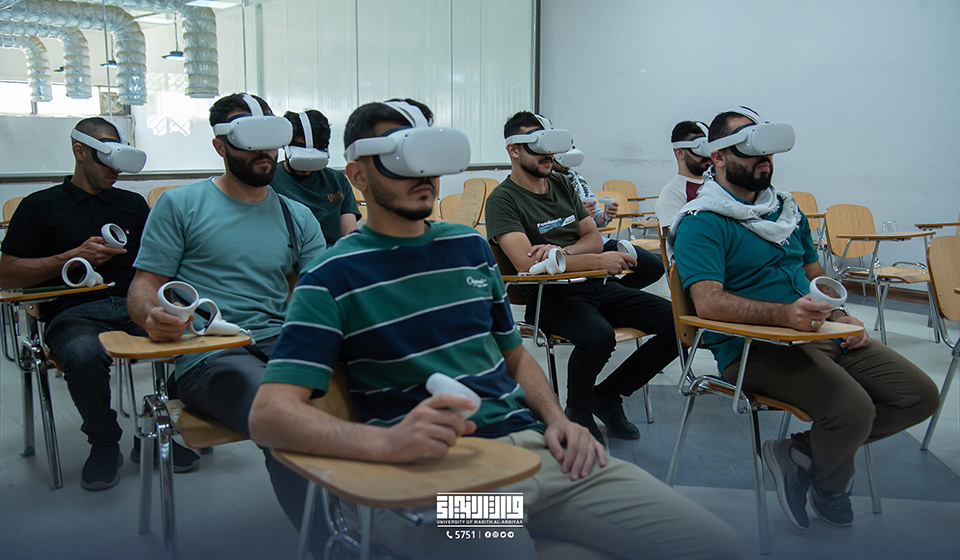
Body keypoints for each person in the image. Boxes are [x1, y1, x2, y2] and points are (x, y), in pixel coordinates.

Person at [248, 100, 741, 560]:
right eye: (399, 160)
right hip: (441, 478)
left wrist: (559, 419)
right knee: (513, 550)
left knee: (713, 545)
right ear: (357, 174)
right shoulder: (331, 277)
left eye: (428, 156)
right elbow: (269, 417)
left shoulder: (467, 248)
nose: (422, 174)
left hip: (536, 452)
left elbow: (516, 356)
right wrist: (385, 444)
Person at [671, 107, 939, 530]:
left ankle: (800, 454)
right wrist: (785, 315)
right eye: (750, 148)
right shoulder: (701, 222)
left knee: (918, 396)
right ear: (718, 157)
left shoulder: (786, 212)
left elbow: (817, 277)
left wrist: (841, 314)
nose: (765, 159)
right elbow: (707, 303)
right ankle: (830, 486)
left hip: (819, 333)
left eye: (768, 150)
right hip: (754, 349)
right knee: (853, 411)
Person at [0, 117, 199, 490]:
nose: (115, 170)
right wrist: (71, 257)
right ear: (80, 151)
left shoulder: (132, 204)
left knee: (200, 345)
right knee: (84, 354)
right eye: (106, 159)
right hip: (73, 311)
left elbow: (158, 263)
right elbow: (6, 274)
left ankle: (155, 430)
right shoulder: (39, 206)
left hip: (136, 304)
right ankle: (104, 442)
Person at [127, 92, 326, 442]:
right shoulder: (180, 205)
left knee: (368, 387)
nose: (263, 151)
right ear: (220, 146)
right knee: (280, 411)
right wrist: (151, 316)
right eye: (249, 140)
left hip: (281, 342)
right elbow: (145, 284)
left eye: (269, 139)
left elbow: (322, 293)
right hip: (210, 353)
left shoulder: (298, 216)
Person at [484, 111, 679, 445]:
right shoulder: (503, 200)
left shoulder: (561, 184)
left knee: (677, 326)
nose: (548, 155)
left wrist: (563, 254)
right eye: (537, 147)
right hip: (549, 296)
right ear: (513, 150)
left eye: (550, 146)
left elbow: (593, 237)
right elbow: (527, 264)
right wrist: (596, 260)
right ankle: (578, 408)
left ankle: (608, 394)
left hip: (594, 285)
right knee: (599, 336)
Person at [552, 150, 664, 290]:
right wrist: (579, 216)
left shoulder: (578, 179)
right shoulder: (545, 183)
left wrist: (606, 216)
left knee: (654, 267)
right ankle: (610, 292)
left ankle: (613, 293)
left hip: (598, 242)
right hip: (573, 245)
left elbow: (597, 219)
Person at [271, 109, 361, 246]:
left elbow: (349, 235)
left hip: (332, 255)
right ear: (285, 146)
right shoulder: (270, 181)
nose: (306, 167)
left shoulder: (337, 181)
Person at [655, 120, 712, 226]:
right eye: (700, 149)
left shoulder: (717, 185)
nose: (707, 156)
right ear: (680, 153)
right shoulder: (672, 194)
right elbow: (674, 234)